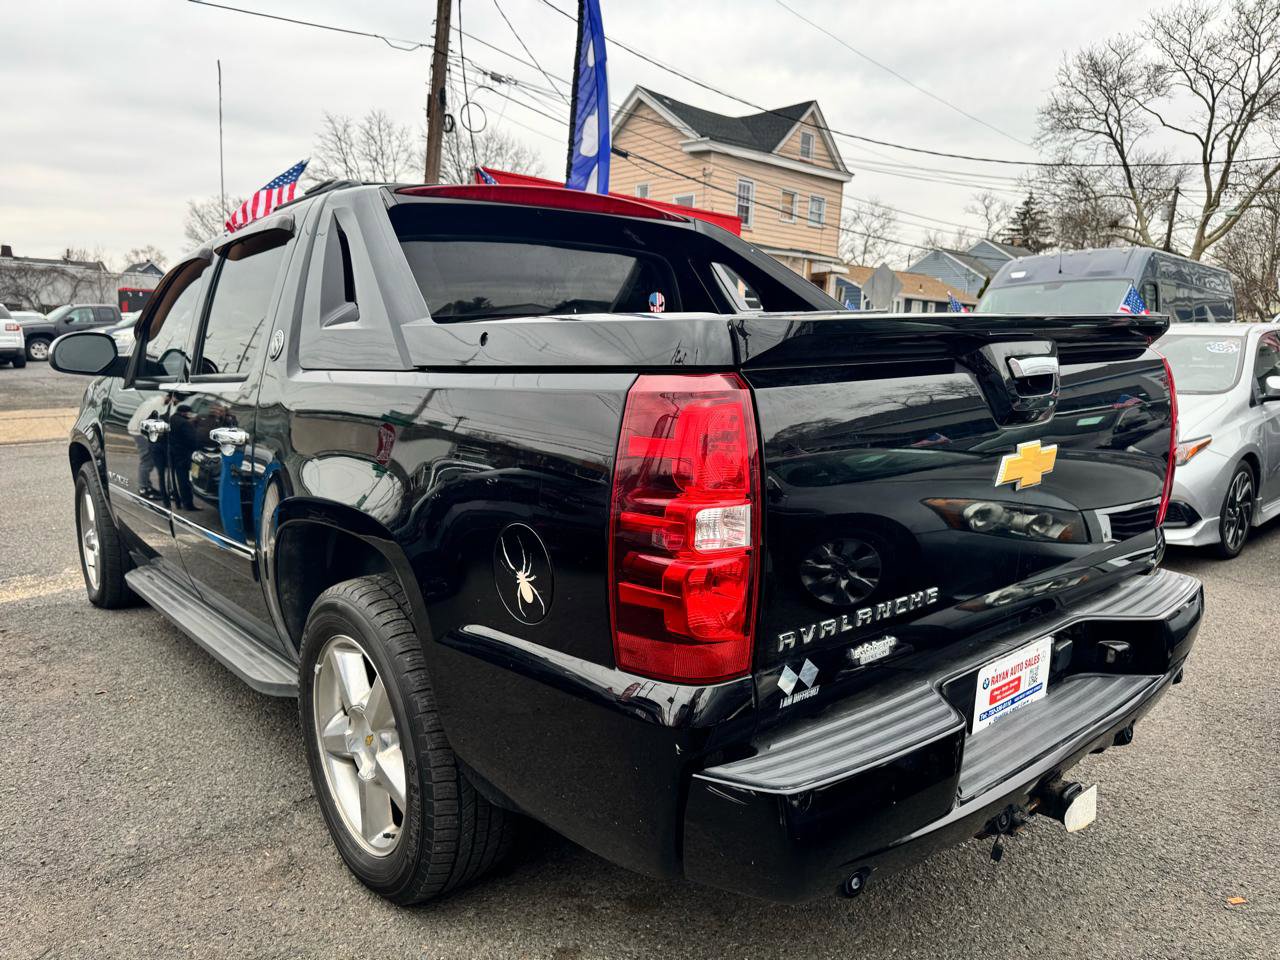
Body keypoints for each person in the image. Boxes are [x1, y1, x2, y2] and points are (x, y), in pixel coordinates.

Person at [124, 393, 167, 498]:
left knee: (148, 460)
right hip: (139, 432)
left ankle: (147, 486)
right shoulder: (155, 405)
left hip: (137, 430)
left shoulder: (155, 402)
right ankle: (143, 488)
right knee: (147, 460)